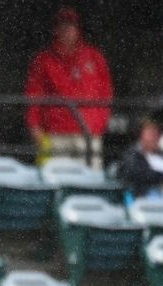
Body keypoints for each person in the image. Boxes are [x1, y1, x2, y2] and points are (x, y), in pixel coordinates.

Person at [25, 7, 112, 170]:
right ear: (55, 30)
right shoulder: (43, 61)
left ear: (78, 29)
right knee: (56, 181)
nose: (68, 30)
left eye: (71, 26)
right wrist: (34, 126)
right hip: (55, 134)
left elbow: (106, 94)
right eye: (63, 25)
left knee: (90, 182)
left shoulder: (95, 57)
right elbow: (34, 96)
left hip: (88, 133)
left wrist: (99, 123)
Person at [117, 118, 163, 202]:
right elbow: (136, 172)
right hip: (151, 196)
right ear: (141, 135)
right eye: (150, 133)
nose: (154, 137)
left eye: (156, 134)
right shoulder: (133, 155)